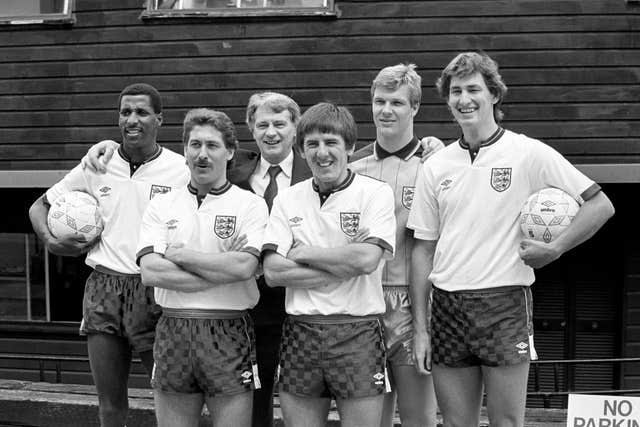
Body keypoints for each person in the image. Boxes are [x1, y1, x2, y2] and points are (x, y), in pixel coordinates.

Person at [408, 52, 615, 427]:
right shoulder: (436, 167)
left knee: (507, 423)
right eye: (455, 91)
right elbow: (422, 249)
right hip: (447, 306)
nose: (464, 99)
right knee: (456, 424)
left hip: (504, 303)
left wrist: (554, 248)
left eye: (474, 89)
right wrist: (420, 329)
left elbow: (600, 204)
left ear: (494, 95)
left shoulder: (527, 152)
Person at [29, 83, 190, 427]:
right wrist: (51, 241)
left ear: (160, 119)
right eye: (125, 112)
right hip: (104, 288)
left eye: (142, 112)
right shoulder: (97, 164)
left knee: (170, 397)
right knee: (110, 405)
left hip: (155, 290)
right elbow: (39, 206)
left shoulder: (180, 169)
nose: (133, 119)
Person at [262, 102, 396, 426]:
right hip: (301, 332)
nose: (322, 153)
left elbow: (366, 260)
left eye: (331, 142)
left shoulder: (375, 193)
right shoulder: (287, 199)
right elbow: (273, 272)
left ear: (349, 147)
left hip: (357, 332)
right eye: (312, 144)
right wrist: (344, 259)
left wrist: (304, 252)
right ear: (303, 151)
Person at [136, 108, 268, 427]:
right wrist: (221, 270)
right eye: (195, 145)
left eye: (212, 146)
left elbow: (244, 266)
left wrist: (180, 256)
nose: (202, 154)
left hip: (228, 329)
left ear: (230, 152)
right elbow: (151, 273)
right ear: (185, 151)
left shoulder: (250, 205)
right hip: (174, 329)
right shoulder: (162, 205)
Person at [349, 63, 439, 427]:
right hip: (362, 302)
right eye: (379, 101)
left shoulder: (434, 165)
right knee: (371, 419)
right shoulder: (352, 168)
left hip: (414, 300)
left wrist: (423, 325)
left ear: (414, 108)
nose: (386, 110)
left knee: (419, 418)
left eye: (397, 103)